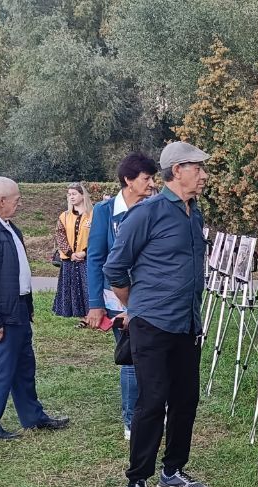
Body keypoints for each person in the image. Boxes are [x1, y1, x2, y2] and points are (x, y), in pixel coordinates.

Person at [104, 142, 210, 487]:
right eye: (198, 168)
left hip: (187, 324)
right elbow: (115, 268)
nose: (204, 175)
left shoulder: (193, 213)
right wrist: (137, 306)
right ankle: (136, 482)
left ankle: (173, 470)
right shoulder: (146, 213)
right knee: (152, 402)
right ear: (177, 170)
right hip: (152, 324)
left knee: (186, 400)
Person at [0, 176, 70, 440]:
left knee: (24, 366)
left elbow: (18, 270)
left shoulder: (7, 226)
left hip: (18, 308)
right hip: (1, 315)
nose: (19, 203)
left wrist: (28, 305)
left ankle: (33, 416)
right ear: (1, 201)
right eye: (16, 199)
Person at [85, 152, 159, 440]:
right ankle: (132, 420)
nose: (152, 184)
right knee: (132, 356)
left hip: (152, 295)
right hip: (117, 296)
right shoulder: (105, 212)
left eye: (153, 178)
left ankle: (153, 410)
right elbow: (95, 258)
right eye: (146, 178)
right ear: (128, 181)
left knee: (152, 356)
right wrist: (94, 304)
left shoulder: (154, 208)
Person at [53, 182, 92, 319]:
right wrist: (71, 254)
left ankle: (91, 315)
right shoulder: (64, 216)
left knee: (88, 287)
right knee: (73, 288)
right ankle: (79, 315)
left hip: (87, 258)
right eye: (69, 194)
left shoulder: (92, 215)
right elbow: (60, 235)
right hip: (70, 259)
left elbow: (96, 236)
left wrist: (85, 252)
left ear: (82, 195)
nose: (71, 197)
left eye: (74, 194)